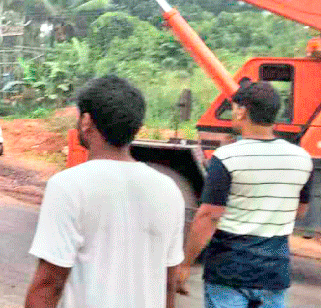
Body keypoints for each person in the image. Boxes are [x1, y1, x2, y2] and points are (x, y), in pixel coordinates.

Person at [24, 75, 185, 308]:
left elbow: (49, 284)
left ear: (86, 121)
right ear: (137, 127)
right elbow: (168, 285)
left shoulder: (69, 185)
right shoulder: (169, 190)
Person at [176, 81, 313, 307]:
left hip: (229, 273)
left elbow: (208, 216)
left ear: (242, 111)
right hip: (274, 274)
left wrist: (185, 264)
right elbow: (300, 211)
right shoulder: (302, 158)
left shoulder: (227, 157)